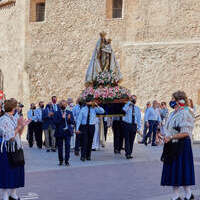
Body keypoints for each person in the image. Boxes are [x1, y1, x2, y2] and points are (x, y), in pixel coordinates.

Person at [161, 91, 195, 200]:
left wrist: (171, 137)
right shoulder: (173, 113)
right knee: (173, 170)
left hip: (182, 145)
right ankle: (176, 196)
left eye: (172, 99)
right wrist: (166, 136)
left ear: (179, 100)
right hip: (172, 145)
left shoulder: (186, 112)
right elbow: (169, 129)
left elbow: (186, 132)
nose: (171, 101)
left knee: (182, 169)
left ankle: (188, 195)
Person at [0, 99, 30, 200]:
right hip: (7, 149)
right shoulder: (3, 119)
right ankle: (4, 195)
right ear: (12, 108)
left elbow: (19, 134)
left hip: (16, 148)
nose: (18, 108)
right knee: (7, 172)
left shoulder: (15, 117)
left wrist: (23, 126)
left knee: (16, 170)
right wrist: (19, 126)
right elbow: (9, 136)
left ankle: (13, 193)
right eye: (16, 106)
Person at [54, 100, 74, 166]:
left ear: (66, 105)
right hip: (59, 132)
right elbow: (55, 122)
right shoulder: (56, 113)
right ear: (60, 105)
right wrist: (62, 118)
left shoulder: (69, 112)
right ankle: (61, 160)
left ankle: (67, 160)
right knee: (60, 147)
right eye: (62, 104)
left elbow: (73, 122)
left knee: (67, 146)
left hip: (67, 132)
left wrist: (69, 119)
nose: (63, 106)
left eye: (65, 104)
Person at [122, 95, 142, 159]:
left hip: (134, 125)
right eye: (132, 99)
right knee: (127, 139)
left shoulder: (137, 108)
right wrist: (128, 103)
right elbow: (123, 110)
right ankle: (127, 153)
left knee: (131, 140)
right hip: (127, 124)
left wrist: (138, 127)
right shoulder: (127, 107)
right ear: (130, 99)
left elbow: (139, 119)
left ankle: (130, 152)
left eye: (135, 99)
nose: (134, 100)